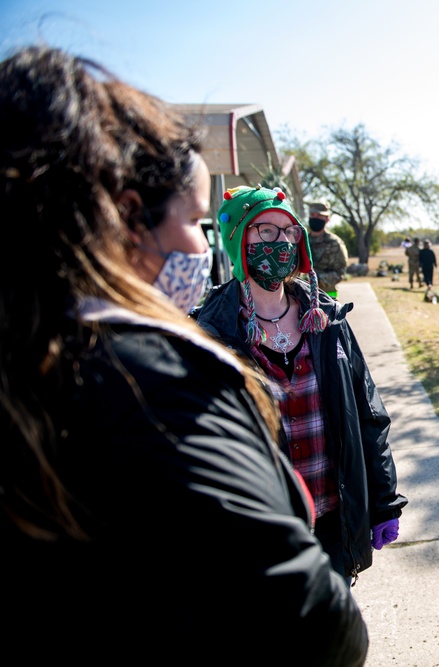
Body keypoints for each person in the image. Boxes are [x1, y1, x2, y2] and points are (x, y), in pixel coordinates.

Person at [0, 46, 367, 665]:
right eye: (197, 219)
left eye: (288, 234)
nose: (201, 245)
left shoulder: (27, 350)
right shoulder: (160, 378)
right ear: (126, 217)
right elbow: (311, 620)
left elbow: (362, 412)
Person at [196, 184, 407, 584]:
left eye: (289, 232)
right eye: (266, 232)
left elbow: (368, 414)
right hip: (259, 537)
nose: (282, 243)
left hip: (332, 521)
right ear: (240, 241)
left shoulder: (326, 319)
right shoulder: (212, 331)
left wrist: (383, 501)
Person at [307, 200, 349, 298]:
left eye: (319, 215)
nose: (315, 218)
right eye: (312, 215)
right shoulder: (301, 241)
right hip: (301, 296)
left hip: (327, 297)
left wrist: (316, 280)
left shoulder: (335, 243)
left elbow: (340, 272)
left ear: (327, 219)